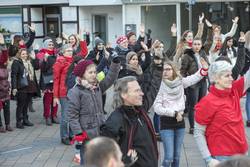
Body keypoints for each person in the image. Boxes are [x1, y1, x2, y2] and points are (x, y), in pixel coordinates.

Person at [100, 57, 163, 167]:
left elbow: (153, 89)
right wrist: (124, 162)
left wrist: (157, 67)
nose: (141, 93)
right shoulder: (115, 120)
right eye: (137, 91)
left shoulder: (140, 110)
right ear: (124, 95)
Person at [194, 57, 249, 167]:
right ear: (216, 78)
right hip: (221, 157)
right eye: (227, 76)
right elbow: (198, 132)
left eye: (231, 75)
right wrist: (208, 159)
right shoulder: (207, 102)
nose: (231, 79)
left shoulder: (234, 91)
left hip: (242, 153)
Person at [153, 59, 208, 167]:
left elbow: (194, 78)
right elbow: (157, 108)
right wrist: (173, 113)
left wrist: (204, 69)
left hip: (180, 124)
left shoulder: (180, 82)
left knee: (176, 157)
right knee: (168, 157)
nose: (165, 72)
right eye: (163, 70)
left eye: (168, 69)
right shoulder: (159, 85)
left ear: (173, 70)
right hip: (166, 123)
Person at [67, 56, 121, 164]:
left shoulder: (97, 87)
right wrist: (78, 133)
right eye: (90, 72)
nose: (93, 75)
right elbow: (72, 115)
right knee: (86, 161)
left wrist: (115, 65)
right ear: (82, 74)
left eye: (94, 72)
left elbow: (110, 79)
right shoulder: (76, 91)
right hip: (86, 134)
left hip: (100, 130)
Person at [180, 37, 209, 134]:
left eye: (198, 44)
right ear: (192, 45)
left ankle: (201, 125)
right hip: (193, 83)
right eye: (195, 44)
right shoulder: (187, 56)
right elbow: (183, 71)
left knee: (202, 105)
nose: (197, 46)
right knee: (193, 106)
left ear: (201, 45)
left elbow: (207, 65)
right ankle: (192, 127)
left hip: (203, 81)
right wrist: (183, 84)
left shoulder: (203, 53)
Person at [11, 48, 40, 129]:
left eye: (26, 54)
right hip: (21, 86)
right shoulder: (16, 62)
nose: (25, 55)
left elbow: (37, 67)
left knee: (26, 104)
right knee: (20, 105)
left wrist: (35, 58)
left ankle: (25, 119)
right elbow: (14, 76)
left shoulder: (30, 62)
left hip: (30, 85)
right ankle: (18, 121)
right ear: (19, 55)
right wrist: (14, 87)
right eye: (23, 54)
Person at [53, 44, 74, 145]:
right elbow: (56, 80)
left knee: (73, 115)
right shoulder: (60, 62)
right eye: (68, 51)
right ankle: (64, 136)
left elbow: (83, 52)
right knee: (65, 116)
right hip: (64, 93)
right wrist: (55, 96)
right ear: (63, 52)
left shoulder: (74, 61)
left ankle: (72, 135)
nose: (70, 52)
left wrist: (82, 40)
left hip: (74, 92)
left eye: (71, 50)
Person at [36, 38, 59, 125]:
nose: (51, 46)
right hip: (47, 80)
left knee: (55, 99)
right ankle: (47, 116)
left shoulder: (56, 54)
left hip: (55, 79)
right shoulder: (41, 54)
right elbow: (43, 69)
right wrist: (45, 60)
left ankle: (54, 115)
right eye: (49, 45)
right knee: (48, 100)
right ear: (45, 45)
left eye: (52, 45)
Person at [0, 33, 13, 132]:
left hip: (4, 87)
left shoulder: (2, 63)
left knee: (7, 107)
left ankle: (8, 124)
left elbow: (5, 56)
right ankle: (0, 125)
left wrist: (3, 44)